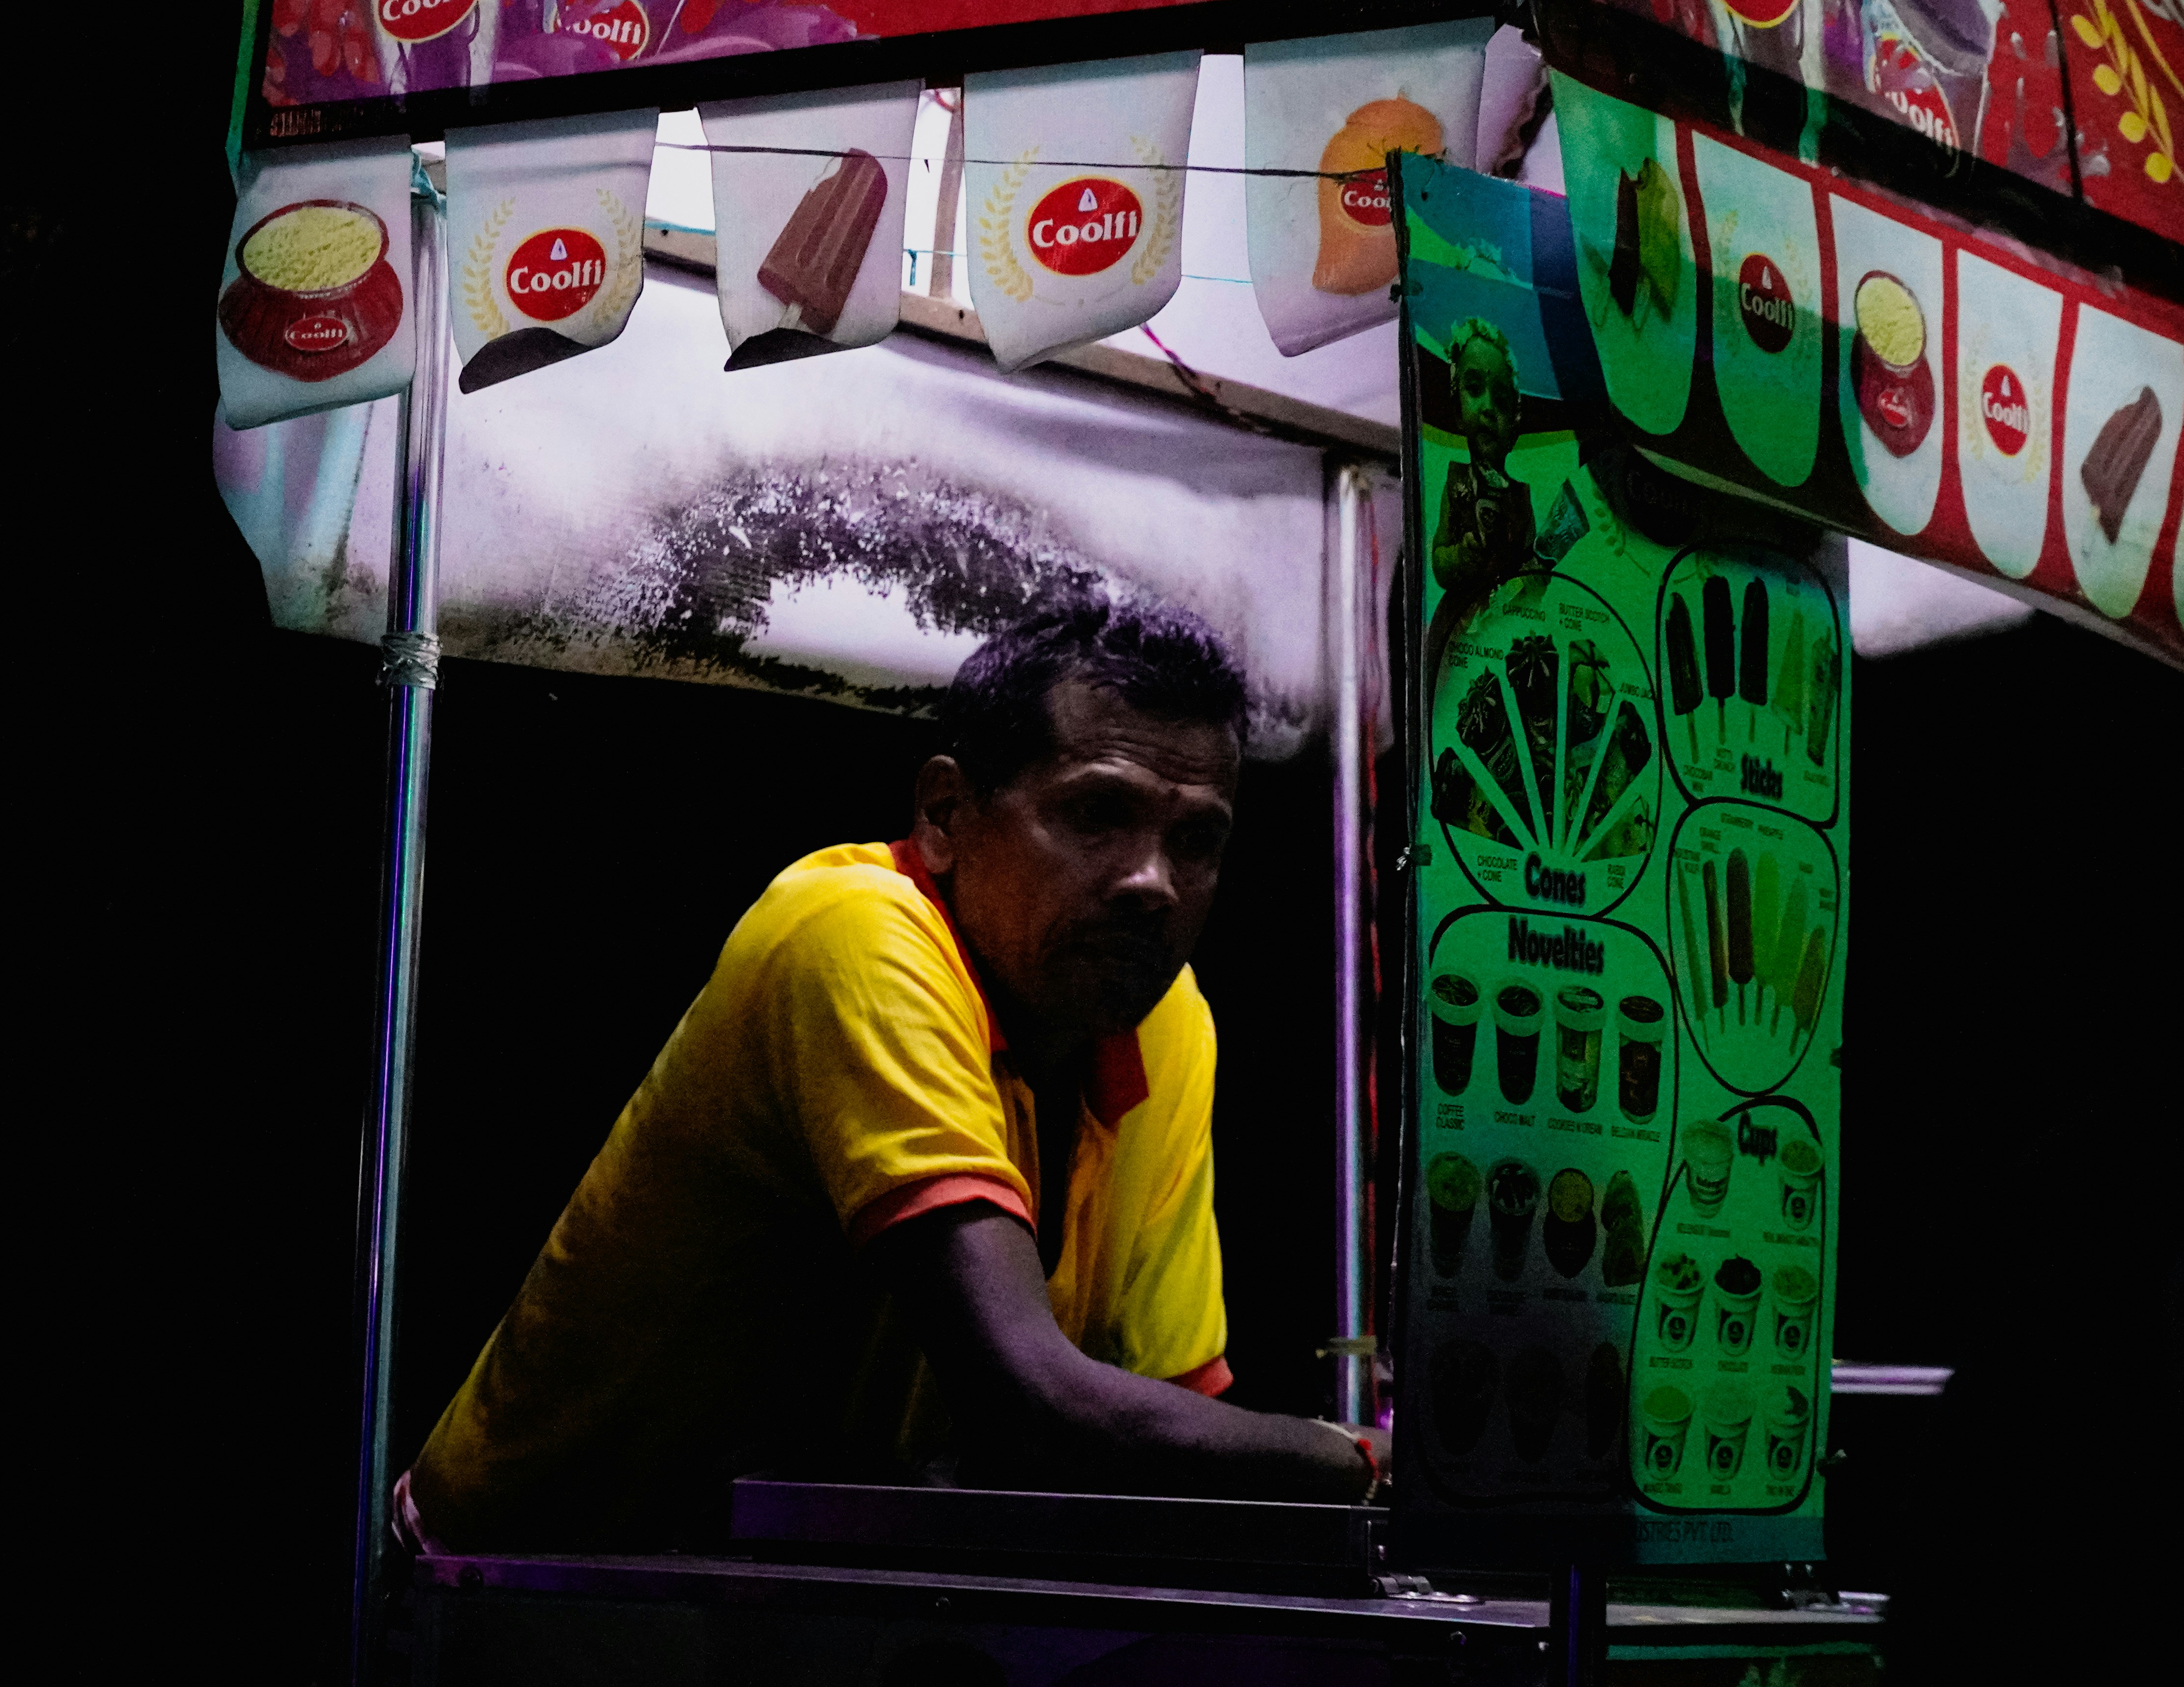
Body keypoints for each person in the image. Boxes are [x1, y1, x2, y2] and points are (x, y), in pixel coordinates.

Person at [400, 601, 1386, 1553]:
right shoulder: (856, 934)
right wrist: (1365, 1459)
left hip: (804, 1589)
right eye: (1097, 814)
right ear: (946, 813)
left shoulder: (1163, 1017)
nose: (1152, 882)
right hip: (523, 1580)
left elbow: (1172, 1420)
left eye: (1198, 839)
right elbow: (1033, 1396)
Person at [1428, 317, 1535, 591]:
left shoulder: (1521, 500)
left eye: (1501, 400)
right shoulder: (1457, 483)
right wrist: (1459, 558)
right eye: (1475, 390)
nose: (1488, 407)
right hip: (1461, 615)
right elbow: (1439, 558)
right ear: (1458, 411)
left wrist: (1533, 575)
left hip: (1505, 613)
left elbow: (1530, 567)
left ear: (1514, 429)